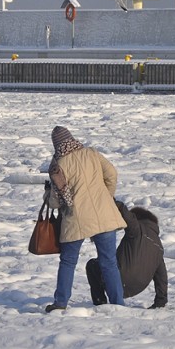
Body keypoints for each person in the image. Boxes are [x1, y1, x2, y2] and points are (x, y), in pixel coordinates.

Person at [44, 126, 127, 313]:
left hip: (76, 219)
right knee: (109, 262)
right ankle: (118, 304)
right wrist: (106, 197)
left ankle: (61, 302)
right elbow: (112, 174)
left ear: (56, 144)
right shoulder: (91, 153)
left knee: (68, 262)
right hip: (104, 215)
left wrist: (47, 194)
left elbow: (56, 202)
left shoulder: (58, 166)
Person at [86, 200, 168, 309]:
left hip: (120, 279)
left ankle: (100, 303)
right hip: (138, 287)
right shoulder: (159, 246)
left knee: (92, 265)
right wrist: (160, 301)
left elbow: (128, 216)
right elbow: (161, 276)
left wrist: (112, 201)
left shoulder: (137, 229)